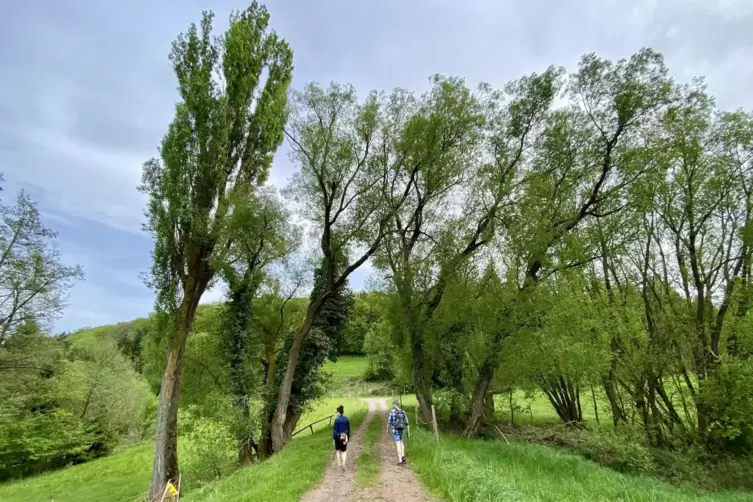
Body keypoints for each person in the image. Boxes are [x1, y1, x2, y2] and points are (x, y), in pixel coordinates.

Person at [387, 400, 409, 464]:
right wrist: (408, 432)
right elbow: (407, 422)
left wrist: (387, 429)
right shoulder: (403, 411)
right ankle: (403, 456)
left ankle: (400, 460)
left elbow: (389, 421)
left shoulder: (392, 412)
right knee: (401, 442)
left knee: (398, 444)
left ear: (394, 405)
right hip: (401, 429)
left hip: (395, 430)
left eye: (393, 404)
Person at [332, 405, 350, 471]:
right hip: (344, 435)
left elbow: (335, 430)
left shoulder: (336, 420)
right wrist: (348, 437)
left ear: (339, 412)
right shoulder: (346, 419)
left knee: (338, 451)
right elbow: (348, 429)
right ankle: (344, 464)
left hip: (338, 435)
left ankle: (339, 465)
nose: (336, 413)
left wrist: (333, 439)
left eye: (336, 412)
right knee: (344, 451)